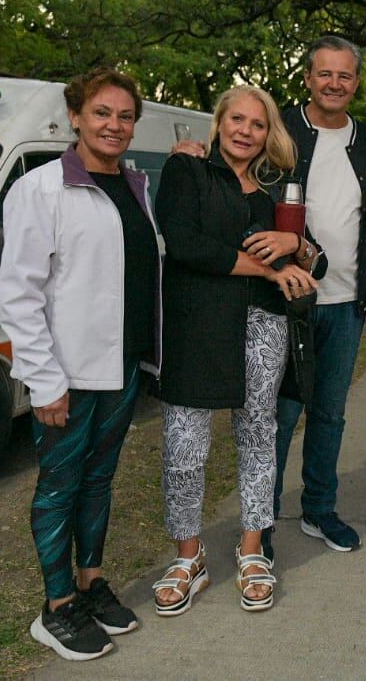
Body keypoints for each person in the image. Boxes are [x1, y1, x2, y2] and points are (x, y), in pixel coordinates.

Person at [170, 36, 366, 559]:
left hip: (341, 297)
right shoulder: (278, 132)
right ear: (308, 78)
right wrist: (190, 150)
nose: (335, 83)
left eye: (346, 75)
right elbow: (211, 212)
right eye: (325, 73)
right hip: (284, 304)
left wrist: (302, 247)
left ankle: (319, 508)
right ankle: (259, 524)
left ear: (356, 83)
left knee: (330, 413)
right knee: (278, 418)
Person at [0, 67, 158, 661]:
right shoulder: (41, 190)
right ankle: (57, 607)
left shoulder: (137, 186)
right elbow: (19, 293)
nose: (114, 125)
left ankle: (90, 584)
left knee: (99, 480)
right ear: (75, 117)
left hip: (119, 367)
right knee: (60, 485)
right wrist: (44, 381)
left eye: (124, 116)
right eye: (102, 113)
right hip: (65, 373)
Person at [152, 85, 323, 615]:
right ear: (219, 123)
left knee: (257, 437)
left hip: (263, 325)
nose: (246, 131)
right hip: (196, 327)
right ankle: (188, 556)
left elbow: (315, 262)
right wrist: (269, 267)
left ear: (268, 132)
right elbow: (186, 244)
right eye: (237, 120)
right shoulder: (189, 172)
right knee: (184, 446)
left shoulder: (277, 191)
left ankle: (252, 550)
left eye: (257, 123)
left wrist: (294, 245)